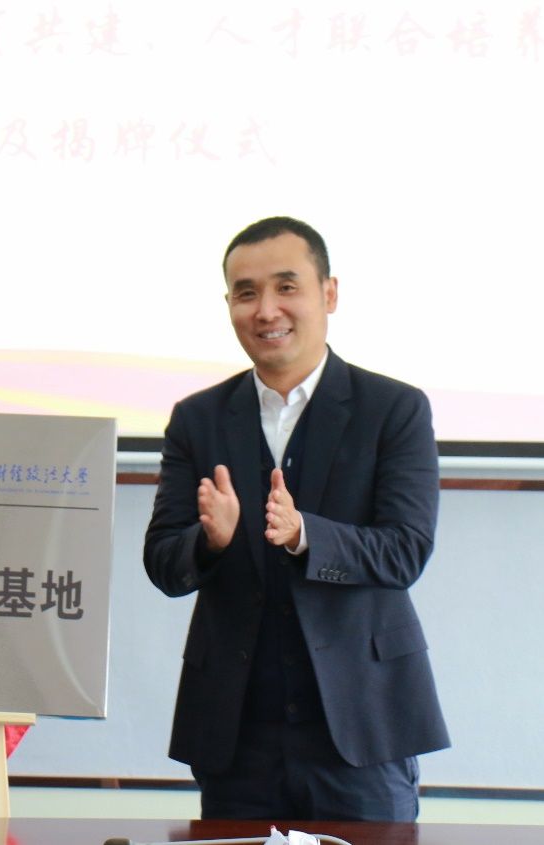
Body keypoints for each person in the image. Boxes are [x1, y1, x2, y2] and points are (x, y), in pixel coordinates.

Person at [143, 216, 449, 821]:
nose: (266, 310)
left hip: (361, 725)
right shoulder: (198, 418)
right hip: (237, 732)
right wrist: (210, 542)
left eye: (287, 287)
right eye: (246, 293)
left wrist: (306, 534)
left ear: (328, 294)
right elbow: (162, 563)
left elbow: (405, 551)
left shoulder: (394, 409)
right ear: (229, 305)